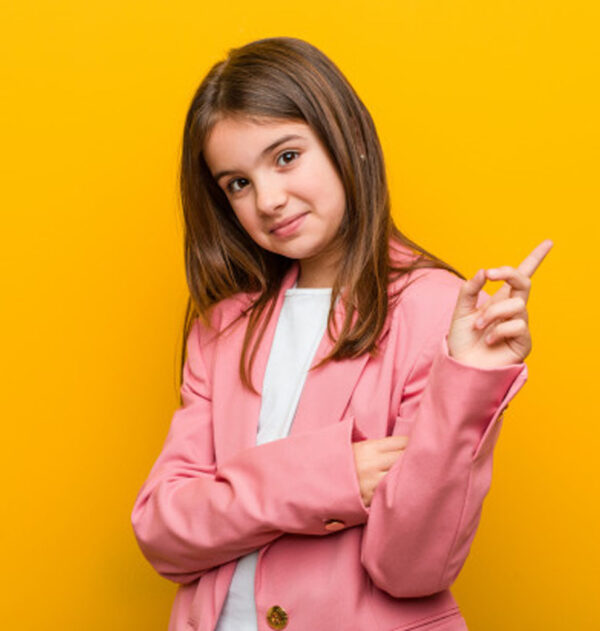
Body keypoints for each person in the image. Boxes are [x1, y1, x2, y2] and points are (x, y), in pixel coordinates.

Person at [131, 36, 551, 631]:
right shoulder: (223, 328)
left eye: (285, 157)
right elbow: (162, 531)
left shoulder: (435, 310)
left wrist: (470, 386)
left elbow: (409, 570)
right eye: (237, 183)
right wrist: (330, 477)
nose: (268, 200)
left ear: (349, 138)